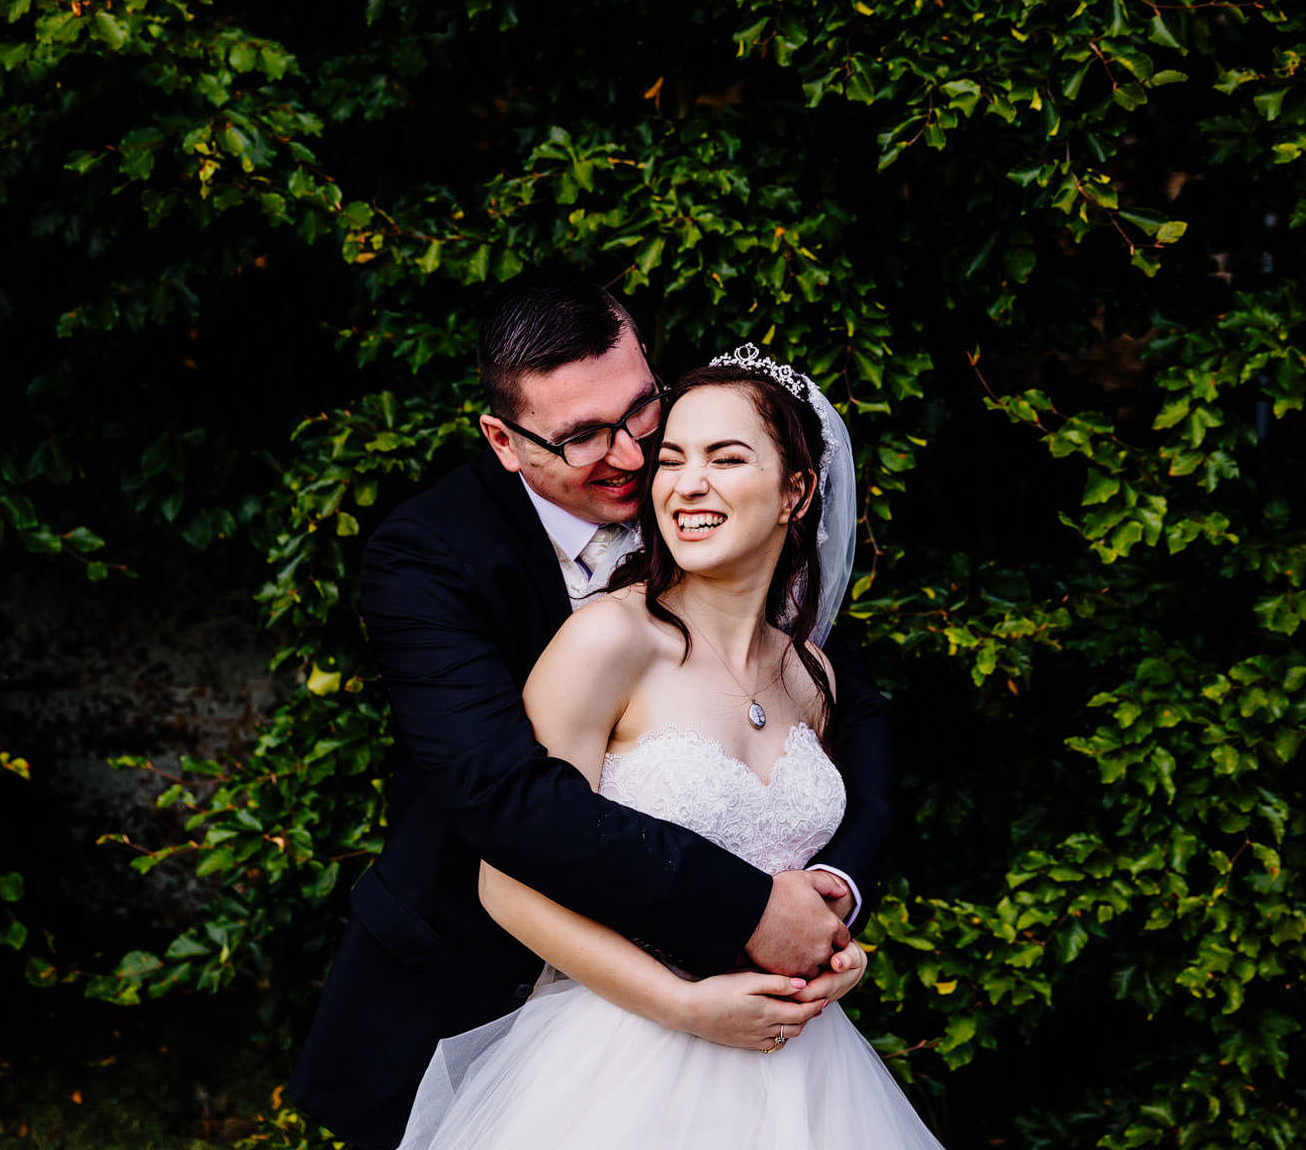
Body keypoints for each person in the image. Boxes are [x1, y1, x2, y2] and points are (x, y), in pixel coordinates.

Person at [288, 277, 896, 1149]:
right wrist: (750, 912)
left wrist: (832, 900)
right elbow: (507, 799)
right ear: (504, 438)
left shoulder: (704, 486)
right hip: (492, 987)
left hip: (777, 1035)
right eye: (581, 437)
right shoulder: (429, 558)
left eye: (642, 410)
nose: (634, 456)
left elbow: (852, 720)